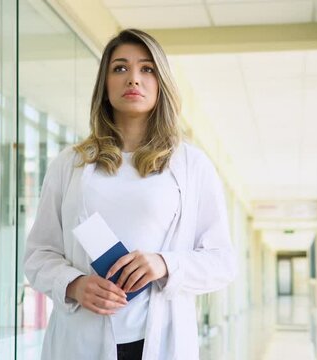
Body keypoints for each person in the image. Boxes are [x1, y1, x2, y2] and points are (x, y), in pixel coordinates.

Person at [24, 28, 238, 360]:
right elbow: (39, 255)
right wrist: (74, 284)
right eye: (120, 68)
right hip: (80, 339)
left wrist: (164, 263)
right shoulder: (71, 164)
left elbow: (222, 262)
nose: (133, 79)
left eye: (147, 69)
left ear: (160, 82)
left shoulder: (192, 165)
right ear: (105, 85)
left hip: (161, 339)